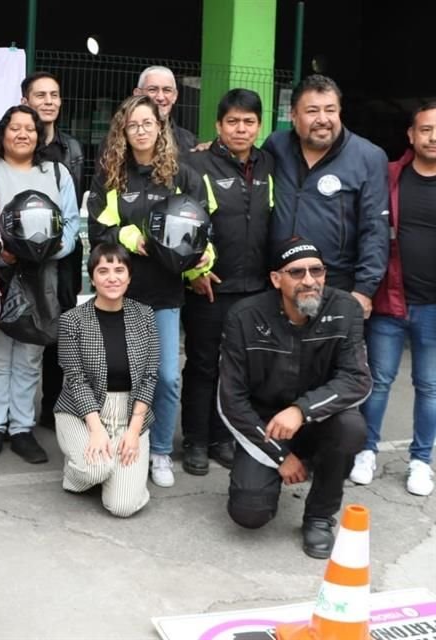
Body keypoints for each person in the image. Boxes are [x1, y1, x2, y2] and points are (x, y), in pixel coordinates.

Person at [218, 237, 371, 559]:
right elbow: (230, 400)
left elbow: (356, 379)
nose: (309, 281)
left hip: (317, 419)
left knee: (351, 428)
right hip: (265, 426)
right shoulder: (244, 317)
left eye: (317, 271)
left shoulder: (345, 309)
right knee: (249, 514)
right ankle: (281, 468)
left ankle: (319, 515)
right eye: (297, 273)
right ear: (276, 279)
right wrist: (279, 456)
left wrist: (301, 411)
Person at [87, 94, 210, 489]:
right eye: (133, 125)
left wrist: (202, 263)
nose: (140, 131)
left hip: (165, 294)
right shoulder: (111, 174)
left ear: (161, 128)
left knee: (166, 377)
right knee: (119, 375)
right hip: (120, 294)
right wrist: (126, 236)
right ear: (123, 131)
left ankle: (158, 451)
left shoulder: (183, 176)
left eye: (147, 123)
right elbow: (97, 232)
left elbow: (202, 229)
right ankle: (121, 446)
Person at [0, 104, 79, 465]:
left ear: (40, 135)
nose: (22, 134)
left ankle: (21, 428)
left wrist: (46, 248)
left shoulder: (56, 173)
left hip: (43, 276)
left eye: (30, 129)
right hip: (1, 273)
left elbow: (71, 225)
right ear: (2, 133)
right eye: (14, 128)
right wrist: (4, 255)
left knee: (30, 353)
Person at [179, 89, 275, 476]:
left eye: (248, 122)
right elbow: (180, 223)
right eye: (232, 121)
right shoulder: (195, 164)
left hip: (255, 288)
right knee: (203, 366)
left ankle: (223, 438)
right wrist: (195, 271)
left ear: (259, 126)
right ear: (218, 126)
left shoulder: (270, 163)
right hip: (210, 286)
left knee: (238, 369)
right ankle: (195, 442)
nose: (241, 129)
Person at [350, 102, 436, 497]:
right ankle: (366, 451)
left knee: (429, 386)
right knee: (379, 381)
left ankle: (421, 461)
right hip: (391, 301)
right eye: (426, 129)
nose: (433, 137)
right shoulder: (391, 176)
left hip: (433, 308)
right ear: (411, 135)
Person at [263, 74, 389, 320]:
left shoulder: (368, 157)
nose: (323, 119)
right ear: (293, 115)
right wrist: (212, 150)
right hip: (279, 282)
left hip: (336, 285)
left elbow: (375, 229)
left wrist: (364, 290)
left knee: (330, 358)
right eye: (312, 111)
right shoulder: (276, 146)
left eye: (330, 110)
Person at [55, 243, 158, 517]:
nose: (112, 277)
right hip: (81, 413)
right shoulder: (72, 320)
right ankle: (79, 474)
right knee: (96, 467)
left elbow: (150, 376)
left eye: (119, 270)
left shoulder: (145, 316)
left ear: (129, 276)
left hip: (129, 413)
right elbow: (75, 379)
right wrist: (97, 429)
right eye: (103, 271)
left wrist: (134, 431)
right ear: (93, 277)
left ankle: (117, 472)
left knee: (122, 507)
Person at [20, 71, 86, 429]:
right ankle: (15, 417)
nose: (48, 101)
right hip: (24, 257)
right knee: (25, 328)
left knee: (59, 332)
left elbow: (73, 208)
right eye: (40, 95)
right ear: (25, 101)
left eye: (54, 95)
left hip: (63, 257)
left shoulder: (72, 149)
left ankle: (53, 408)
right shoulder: (15, 143)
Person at [133, 65, 196, 152]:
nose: (160, 97)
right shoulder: (119, 138)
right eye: (152, 90)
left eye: (167, 90)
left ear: (175, 96)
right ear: (138, 94)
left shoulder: (189, 142)